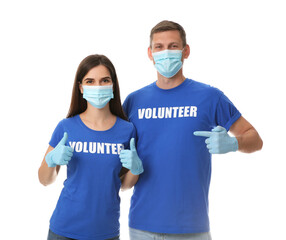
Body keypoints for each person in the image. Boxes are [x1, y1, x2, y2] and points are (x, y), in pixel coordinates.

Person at [123, 20, 263, 240]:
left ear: (185, 51)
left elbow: (255, 138)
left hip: (191, 227)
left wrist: (234, 143)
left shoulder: (209, 96)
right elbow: (118, 162)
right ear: (150, 53)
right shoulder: (133, 102)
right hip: (141, 225)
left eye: (173, 46)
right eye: (159, 47)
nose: (166, 53)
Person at [38, 54, 144, 240]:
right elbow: (45, 180)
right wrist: (51, 160)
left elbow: (123, 185)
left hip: (106, 231)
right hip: (64, 230)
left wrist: (136, 169)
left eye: (104, 80)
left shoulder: (127, 130)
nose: (98, 87)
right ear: (81, 87)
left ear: (113, 85)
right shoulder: (66, 127)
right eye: (90, 81)